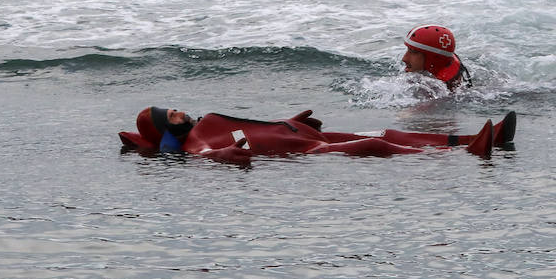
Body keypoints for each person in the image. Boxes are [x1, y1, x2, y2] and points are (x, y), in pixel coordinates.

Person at [120, 107, 515, 162]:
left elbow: (246, 127)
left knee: (388, 131)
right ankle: (467, 155)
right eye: (170, 115)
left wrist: (291, 120)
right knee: (376, 144)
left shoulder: (203, 123)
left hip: (299, 133)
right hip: (306, 148)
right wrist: (232, 154)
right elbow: (211, 153)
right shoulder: (195, 143)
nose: (180, 112)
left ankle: (477, 138)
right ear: (162, 129)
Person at [402, 24, 471, 91]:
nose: (404, 59)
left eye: (413, 52)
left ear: (433, 59)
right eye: (408, 49)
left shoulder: (438, 92)